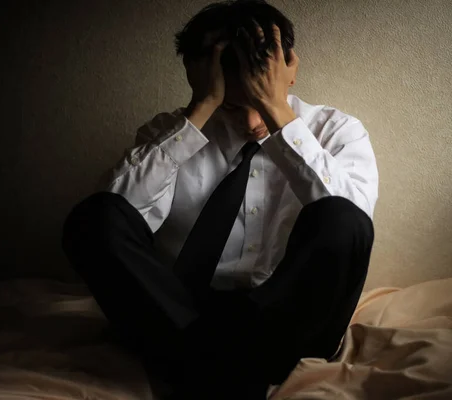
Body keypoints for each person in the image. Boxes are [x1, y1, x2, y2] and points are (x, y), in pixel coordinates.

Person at [62, 0, 378, 399]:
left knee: (342, 216)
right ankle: (219, 364)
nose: (249, 121)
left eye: (258, 98)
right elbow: (111, 219)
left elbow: (350, 233)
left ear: (287, 72)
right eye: (232, 103)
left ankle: (205, 366)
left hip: (286, 322)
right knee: (92, 217)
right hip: (178, 314)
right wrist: (199, 112)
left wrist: (279, 115)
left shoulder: (337, 133)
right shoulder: (168, 135)